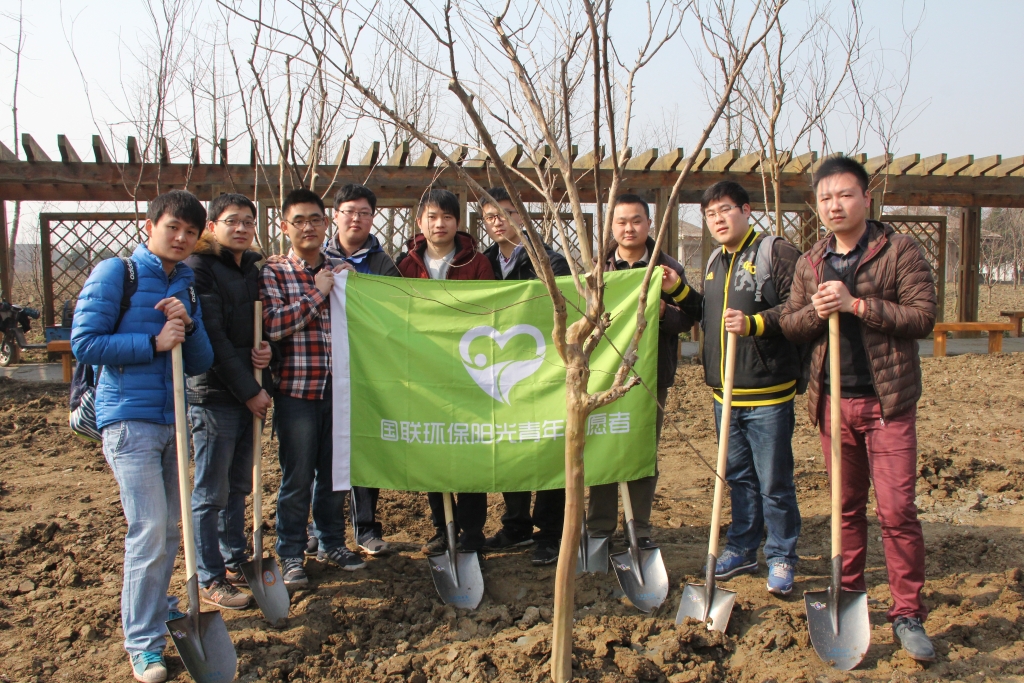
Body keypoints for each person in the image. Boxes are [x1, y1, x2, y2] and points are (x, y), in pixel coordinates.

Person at [780, 155, 937, 661]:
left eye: (844, 195)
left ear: (867, 198)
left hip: (887, 405)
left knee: (896, 511)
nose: (835, 205)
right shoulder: (811, 262)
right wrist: (815, 311)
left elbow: (922, 318)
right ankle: (846, 595)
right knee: (844, 509)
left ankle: (907, 611)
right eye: (825, 198)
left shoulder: (899, 251)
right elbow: (790, 325)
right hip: (833, 405)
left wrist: (857, 306)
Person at [72, 190, 214, 683]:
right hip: (128, 421)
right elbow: (84, 343)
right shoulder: (118, 273)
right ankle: (143, 644)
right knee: (150, 530)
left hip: (173, 420)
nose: (181, 238)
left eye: (191, 233)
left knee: (170, 528)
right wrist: (154, 341)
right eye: (173, 227)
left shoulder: (187, 283)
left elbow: (200, 362)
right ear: (150, 225)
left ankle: (159, 607)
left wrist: (186, 325)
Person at [697, 181, 803, 595]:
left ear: (746, 209)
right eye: (710, 214)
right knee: (738, 478)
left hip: (768, 395)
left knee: (774, 480)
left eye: (725, 210)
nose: (718, 219)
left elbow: (801, 308)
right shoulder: (713, 261)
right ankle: (743, 547)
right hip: (725, 395)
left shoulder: (775, 252)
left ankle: (781, 555)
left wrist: (756, 323)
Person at [260, 187, 365, 590]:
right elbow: (274, 325)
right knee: (297, 476)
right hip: (296, 392)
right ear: (285, 227)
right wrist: (317, 292)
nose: (308, 227)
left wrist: (350, 288)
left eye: (315, 219)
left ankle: (332, 542)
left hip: (339, 391)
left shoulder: (342, 270)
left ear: (326, 223)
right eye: (299, 221)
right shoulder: (274, 272)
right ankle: (290, 553)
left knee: (336, 473)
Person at [586, 193, 701, 548]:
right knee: (603, 446)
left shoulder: (666, 268)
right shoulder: (598, 269)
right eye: (621, 222)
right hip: (604, 374)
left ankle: (639, 527)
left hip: (650, 376)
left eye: (636, 220)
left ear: (649, 224)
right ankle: (599, 527)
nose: (629, 228)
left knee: (641, 450)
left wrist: (665, 310)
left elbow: (689, 319)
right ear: (611, 227)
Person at [184, 193, 273, 610]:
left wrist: (265, 353)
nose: (241, 228)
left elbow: (258, 327)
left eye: (248, 221)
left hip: (243, 389)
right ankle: (209, 574)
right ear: (212, 226)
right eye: (232, 220)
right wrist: (251, 390)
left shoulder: (249, 269)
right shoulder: (200, 269)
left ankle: (234, 555)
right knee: (211, 490)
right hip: (214, 393)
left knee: (239, 484)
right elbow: (214, 338)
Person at [478, 186, 572, 566]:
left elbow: (563, 307)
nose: (498, 221)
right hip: (499, 371)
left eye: (506, 212)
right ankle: (516, 523)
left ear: (521, 215)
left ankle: (550, 531)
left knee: (549, 447)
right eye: (490, 216)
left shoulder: (550, 261)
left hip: (543, 368)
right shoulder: (482, 264)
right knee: (510, 445)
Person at [396, 188, 493, 553]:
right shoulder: (406, 265)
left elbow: (491, 314)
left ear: (458, 223)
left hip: (469, 372)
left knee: (469, 450)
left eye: (448, 217)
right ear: (420, 221)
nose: (440, 224)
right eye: (432, 217)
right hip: (425, 373)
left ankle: (472, 531)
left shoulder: (477, 264)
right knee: (433, 448)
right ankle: (442, 527)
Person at [324, 182, 401, 556]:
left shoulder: (384, 264)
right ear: (335, 215)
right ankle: (321, 527)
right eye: (349, 211)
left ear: (373, 218)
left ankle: (366, 527)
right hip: (323, 373)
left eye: (365, 213)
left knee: (366, 448)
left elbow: (400, 314)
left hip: (369, 371)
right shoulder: (315, 260)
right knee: (321, 454)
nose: (356, 218)